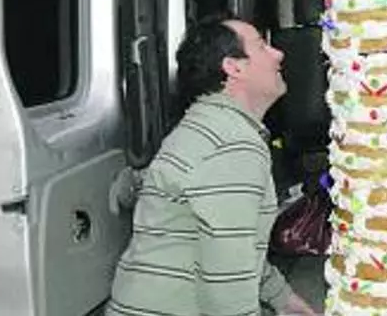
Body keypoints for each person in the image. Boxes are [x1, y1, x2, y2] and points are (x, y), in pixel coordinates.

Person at [107, 16, 317, 316]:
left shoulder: (212, 127)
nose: (278, 54)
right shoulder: (231, 143)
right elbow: (227, 277)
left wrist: (281, 297)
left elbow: (233, 244)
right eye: (261, 46)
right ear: (234, 67)